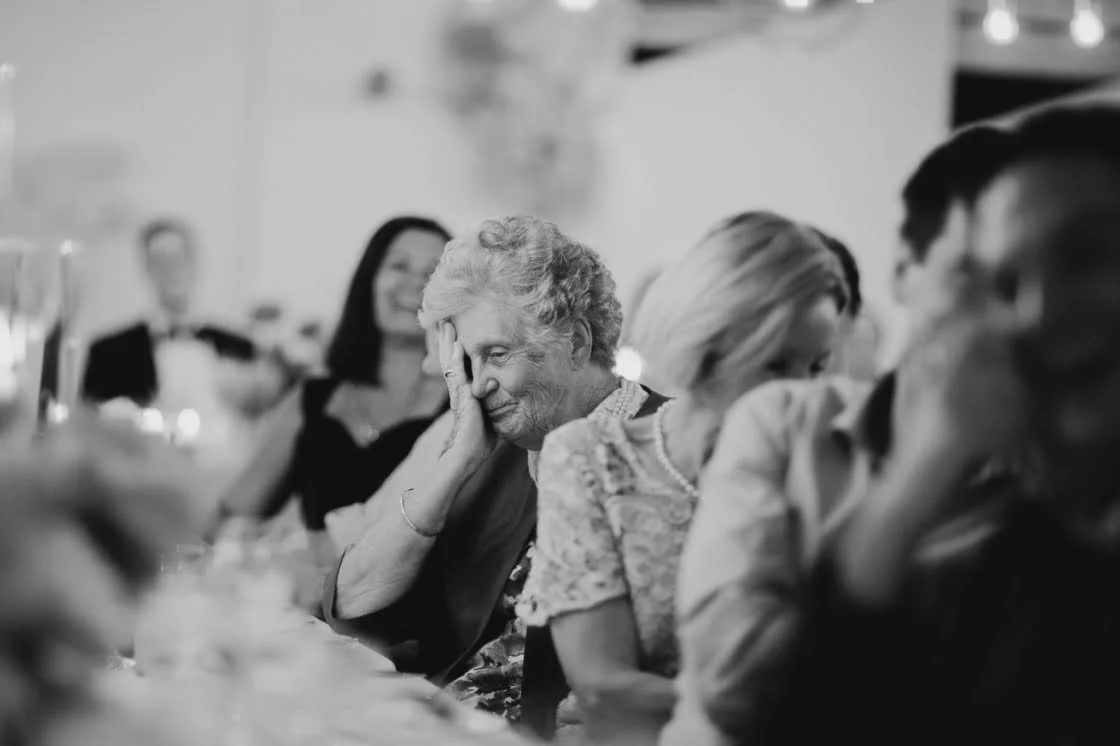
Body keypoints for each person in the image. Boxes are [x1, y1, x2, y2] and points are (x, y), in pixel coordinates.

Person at [661, 123, 1020, 746]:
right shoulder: (783, 423)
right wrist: (922, 479)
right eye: (975, 273)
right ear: (905, 270)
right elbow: (734, 688)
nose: (1022, 309)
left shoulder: (1064, 489)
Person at [322, 216, 669, 730]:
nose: (477, 385)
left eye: (497, 354)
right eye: (467, 362)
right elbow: (353, 603)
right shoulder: (494, 447)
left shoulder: (668, 453)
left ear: (576, 343)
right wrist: (455, 463)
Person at [518, 211, 851, 745]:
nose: (799, 395)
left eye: (815, 368)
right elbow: (604, 687)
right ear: (707, 347)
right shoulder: (591, 459)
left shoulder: (831, 470)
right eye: (775, 365)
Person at [215, 217, 453, 562]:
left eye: (432, 272)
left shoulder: (461, 406)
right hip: (312, 589)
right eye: (398, 266)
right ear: (369, 279)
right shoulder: (314, 397)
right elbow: (235, 512)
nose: (414, 283)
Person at [81, 220, 256, 406]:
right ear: (147, 269)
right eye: (160, 262)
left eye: (177, 258)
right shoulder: (108, 353)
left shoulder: (240, 348)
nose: (171, 270)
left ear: (195, 263)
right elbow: (90, 418)